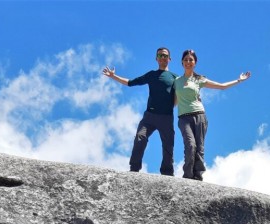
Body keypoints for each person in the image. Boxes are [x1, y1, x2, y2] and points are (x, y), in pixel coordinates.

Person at [173, 49, 251, 181]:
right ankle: (187, 176)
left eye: (191, 60)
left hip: (200, 116)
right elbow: (174, 102)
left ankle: (197, 176)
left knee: (199, 148)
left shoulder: (199, 79)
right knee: (190, 145)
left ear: (195, 63)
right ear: (181, 62)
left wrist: (239, 80)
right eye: (186, 60)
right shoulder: (177, 81)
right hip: (184, 118)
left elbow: (221, 86)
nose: (188, 62)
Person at [102, 47, 178, 175]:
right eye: (160, 55)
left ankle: (167, 173)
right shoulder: (151, 75)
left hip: (166, 117)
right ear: (156, 59)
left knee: (168, 145)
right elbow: (131, 82)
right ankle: (134, 169)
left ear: (169, 59)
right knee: (140, 137)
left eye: (165, 56)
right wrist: (113, 76)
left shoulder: (175, 77)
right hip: (150, 116)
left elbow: (183, 92)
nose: (163, 58)